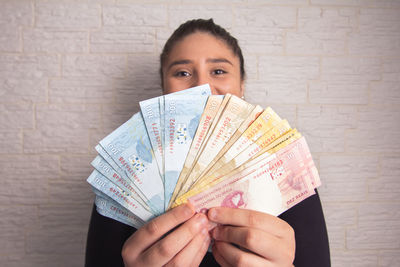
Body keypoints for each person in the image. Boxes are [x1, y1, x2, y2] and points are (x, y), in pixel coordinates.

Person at [85, 19, 330, 267]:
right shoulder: (123, 180)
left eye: (219, 71)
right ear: (163, 92)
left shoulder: (287, 177)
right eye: (182, 73)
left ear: (241, 86)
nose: (202, 87)